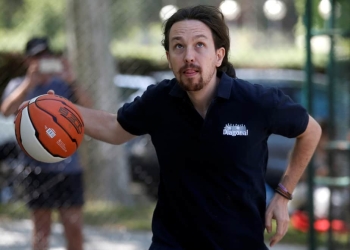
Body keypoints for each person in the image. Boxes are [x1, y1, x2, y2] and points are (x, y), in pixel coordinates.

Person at [33, 5, 321, 250]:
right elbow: (114, 128)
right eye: (178, 46)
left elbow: (311, 131)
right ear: (169, 56)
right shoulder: (159, 101)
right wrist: (55, 108)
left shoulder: (255, 101)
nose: (189, 56)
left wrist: (283, 196)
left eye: (199, 45)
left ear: (219, 55)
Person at [1, 37, 92, 250]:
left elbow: (90, 106)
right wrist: (29, 83)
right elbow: (5, 110)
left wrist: (71, 79)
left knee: (74, 228)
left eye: (47, 55)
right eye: (37, 57)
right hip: (36, 168)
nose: (43, 60)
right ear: (28, 60)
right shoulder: (18, 85)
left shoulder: (63, 84)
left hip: (68, 167)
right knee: (41, 232)